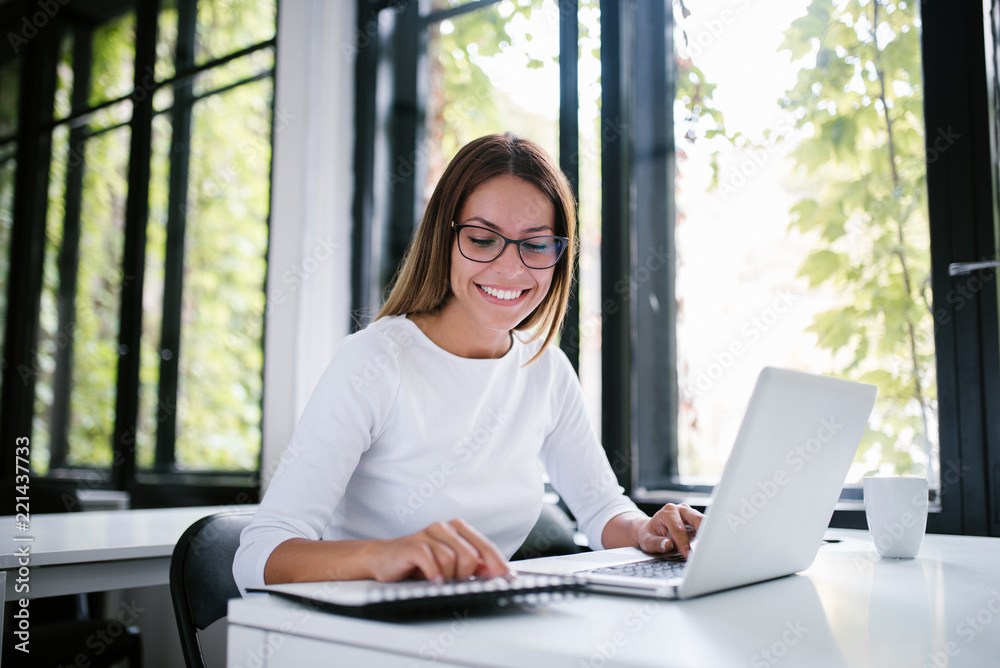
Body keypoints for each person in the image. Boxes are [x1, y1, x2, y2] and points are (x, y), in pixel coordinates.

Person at [233, 132, 702, 593]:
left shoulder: (546, 370)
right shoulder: (374, 362)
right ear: (444, 237)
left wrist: (646, 531)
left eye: (536, 245)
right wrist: (382, 556)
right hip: (364, 637)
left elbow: (601, 510)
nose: (511, 269)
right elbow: (258, 555)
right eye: (482, 239)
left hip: (478, 625)